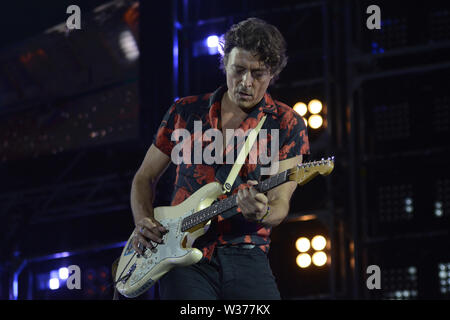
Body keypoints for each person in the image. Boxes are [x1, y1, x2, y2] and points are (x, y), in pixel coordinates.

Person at [129, 17, 310, 300]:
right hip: (181, 254)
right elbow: (144, 177)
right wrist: (143, 220)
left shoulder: (287, 124)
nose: (246, 83)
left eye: (258, 73)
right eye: (238, 70)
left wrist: (261, 212)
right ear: (224, 62)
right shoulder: (184, 112)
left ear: (272, 73)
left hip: (247, 254)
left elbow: (279, 204)